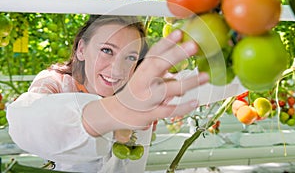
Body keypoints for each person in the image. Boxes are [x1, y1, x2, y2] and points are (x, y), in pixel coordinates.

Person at [6, 15, 209, 173]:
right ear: (81, 49)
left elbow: (201, 83)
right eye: (107, 51)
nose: (117, 69)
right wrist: (114, 111)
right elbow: (26, 118)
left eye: (130, 57)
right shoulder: (55, 81)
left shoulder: (140, 85)